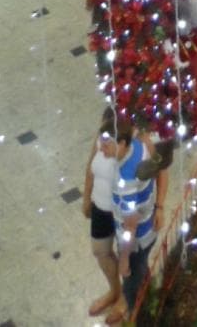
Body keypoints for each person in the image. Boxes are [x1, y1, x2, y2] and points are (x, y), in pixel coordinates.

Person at [109, 119, 167, 325]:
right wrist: (159, 207)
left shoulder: (125, 179)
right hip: (148, 228)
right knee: (140, 270)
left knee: (133, 285)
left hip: (135, 240)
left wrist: (124, 259)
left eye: (107, 145)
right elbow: (162, 169)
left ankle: (137, 314)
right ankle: (146, 293)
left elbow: (130, 227)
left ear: (122, 143)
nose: (102, 150)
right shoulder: (142, 144)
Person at [82, 110, 121, 320]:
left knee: (128, 257)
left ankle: (128, 298)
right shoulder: (104, 130)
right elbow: (90, 167)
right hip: (100, 205)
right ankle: (115, 290)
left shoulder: (132, 141)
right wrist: (86, 198)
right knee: (100, 251)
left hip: (123, 210)